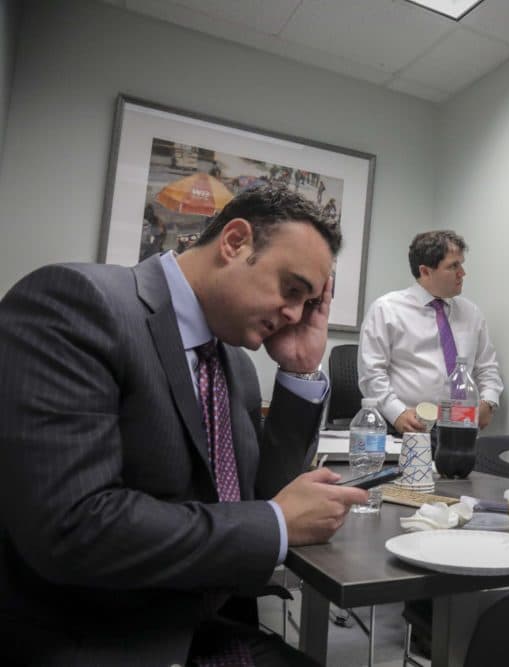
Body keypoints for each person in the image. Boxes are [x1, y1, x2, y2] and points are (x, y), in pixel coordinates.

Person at [0, 184, 369, 666]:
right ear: (235, 242)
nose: (296, 314)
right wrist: (275, 522)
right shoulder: (79, 303)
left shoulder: (233, 365)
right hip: (92, 635)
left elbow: (259, 502)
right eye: (292, 290)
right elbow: (74, 526)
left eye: (308, 303)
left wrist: (300, 369)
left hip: (195, 626)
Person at [358, 230, 503, 433]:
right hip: (407, 426)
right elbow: (371, 373)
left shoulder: (471, 313)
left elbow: (487, 368)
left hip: (461, 427)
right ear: (425, 271)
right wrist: (397, 413)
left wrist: (489, 402)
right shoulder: (387, 310)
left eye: (461, 264)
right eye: (453, 266)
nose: (462, 273)